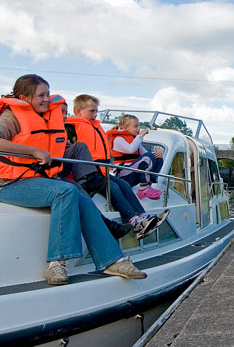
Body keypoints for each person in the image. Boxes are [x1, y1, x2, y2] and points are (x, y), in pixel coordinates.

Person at [0, 74, 146, 285]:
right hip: (6, 183)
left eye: (48, 94)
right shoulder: (11, 117)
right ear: (24, 97)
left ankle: (113, 261)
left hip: (34, 178)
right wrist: (34, 150)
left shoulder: (46, 116)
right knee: (66, 191)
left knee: (80, 196)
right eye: (41, 95)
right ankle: (56, 264)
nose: (47, 99)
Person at [65, 94, 168, 240]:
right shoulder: (72, 127)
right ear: (78, 111)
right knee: (113, 188)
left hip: (100, 172)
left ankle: (143, 216)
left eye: (96, 111)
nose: (95, 115)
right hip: (85, 175)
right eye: (91, 111)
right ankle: (134, 221)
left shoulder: (95, 127)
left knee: (124, 184)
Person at [107, 114, 164, 199]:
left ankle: (148, 185)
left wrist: (158, 152)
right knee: (148, 157)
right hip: (123, 175)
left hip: (131, 172)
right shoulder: (118, 139)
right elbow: (131, 149)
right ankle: (143, 188)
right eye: (135, 126)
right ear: (124, 128)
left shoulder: (134, 140)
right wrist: (140, 136)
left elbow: (145, 153)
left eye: (139, 126)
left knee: (157, 158)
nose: (138, 128)